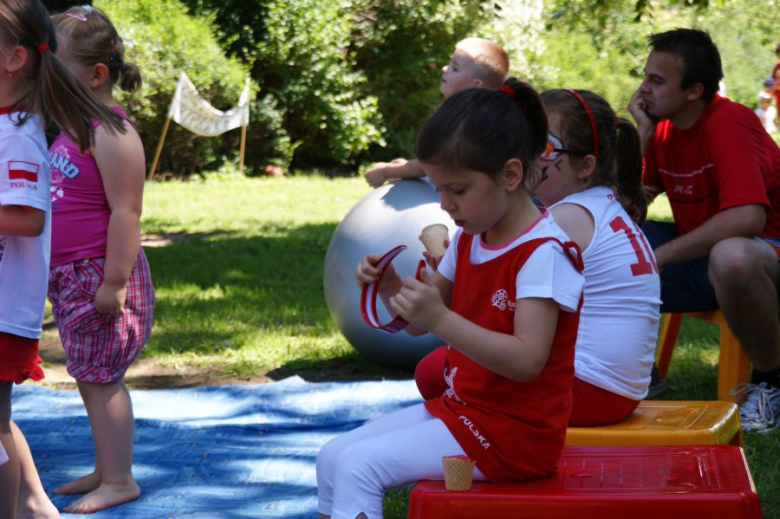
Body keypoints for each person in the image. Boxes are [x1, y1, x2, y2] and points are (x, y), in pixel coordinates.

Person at [317, 79, 584, 519]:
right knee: (333, 455)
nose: (444, 205)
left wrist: (440, 318)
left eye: (456, 190)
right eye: (439, 189)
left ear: (511, 175)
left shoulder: (544, 253)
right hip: (467, 413)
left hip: (515, 439)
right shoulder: (470, 239)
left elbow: (526, 361)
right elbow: (422, 321)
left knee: (359, 466)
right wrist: (388, 287)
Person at [415, 89, 662, 426]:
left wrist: (454, 276)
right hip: (618, 390)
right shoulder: (600, 207)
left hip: (588, 390)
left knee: (435, 371)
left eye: (544, 146)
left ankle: (483, 437)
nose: (529, 151)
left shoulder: (564, 221)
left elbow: (497, 315)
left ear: (585, 167)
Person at [0, 0, 126, 517]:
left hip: (15, 307)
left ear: (13, 59)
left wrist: (114, 281)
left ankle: (23, 507)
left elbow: (27, 217)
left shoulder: (19, 133)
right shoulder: (16, 124)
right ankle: (32, 505)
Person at [629, 28, 780, 433]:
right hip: (705, 258)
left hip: (765, 255)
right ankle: (633, 369)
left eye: (656, 81)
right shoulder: (661, 129)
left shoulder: (729, 122)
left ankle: (771, 381)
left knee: (731, 254)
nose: (643, 89)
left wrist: (656, 257)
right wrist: (640, 134)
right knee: (603, 243)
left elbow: (748, 218)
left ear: (694, 90)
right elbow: (617, 214)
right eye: (645, 76)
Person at [46, 5, 154, 513]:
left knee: (100, 378)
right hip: (75, 276)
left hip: (99, 276)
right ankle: (105, 468)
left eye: (54, 66)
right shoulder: (78, 126)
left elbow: (126, 213)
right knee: (90, 375)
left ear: (95, 74)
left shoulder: (113, 133)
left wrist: (113, 282)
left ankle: (120, 479)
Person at [364, 37, 509, 188]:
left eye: (455, 68)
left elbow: (430, 164)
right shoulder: (482, 116)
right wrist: (406, 167)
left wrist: (388, 170)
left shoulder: (461, 121)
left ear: (476, 85)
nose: (444, 69)